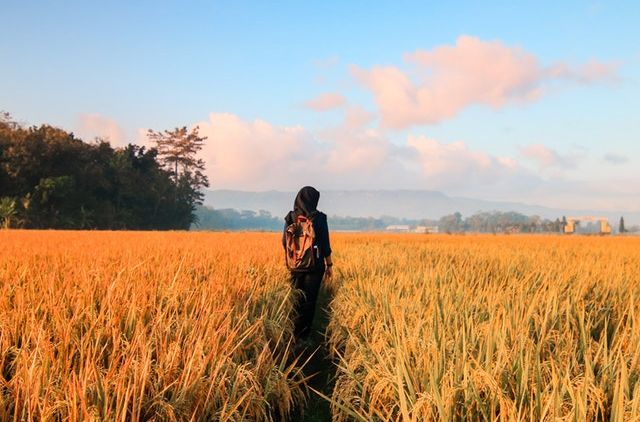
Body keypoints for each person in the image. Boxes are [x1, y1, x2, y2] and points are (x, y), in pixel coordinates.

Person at [282, 186, 333, 339]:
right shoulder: (319, 218)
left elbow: (284, 242)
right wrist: (329, 265)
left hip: (295, 266)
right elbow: (325, 244)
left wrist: (294, 256)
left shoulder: (290, 217)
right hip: (314, 267)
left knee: (296, 299)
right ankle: (304, 336)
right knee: (310, 301)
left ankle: (292, 333)